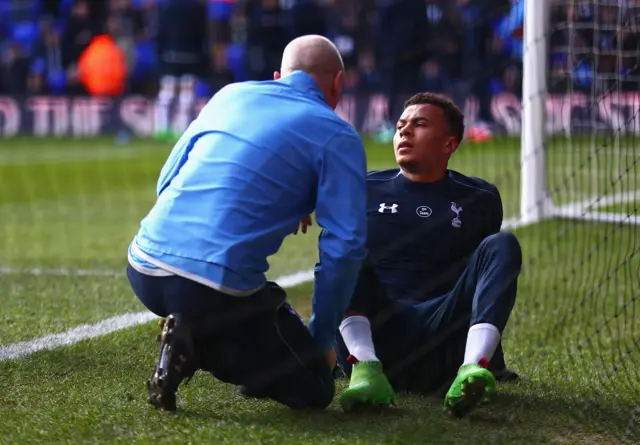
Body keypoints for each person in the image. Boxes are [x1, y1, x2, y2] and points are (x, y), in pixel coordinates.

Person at [126, 35, 368, 412]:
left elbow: (167, 179)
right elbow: (345, 246)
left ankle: (198, 331)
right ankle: (196, 345)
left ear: (278, 76)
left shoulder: (230, 95)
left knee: (264, 299)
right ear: (338, 82)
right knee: (316, 388)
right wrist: (322, 339)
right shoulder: (337, 135)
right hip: (210, 288)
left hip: (143, 267)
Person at [333, 92, 522, 418]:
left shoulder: (480, 198)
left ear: (449, 144)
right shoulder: (360, 189)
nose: (404, 132)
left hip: (441, 337)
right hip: (380, 334)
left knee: (502, 245)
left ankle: (473, 368)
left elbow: (484, 282)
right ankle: (364, 370)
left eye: (419, 125)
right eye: (400, 126)